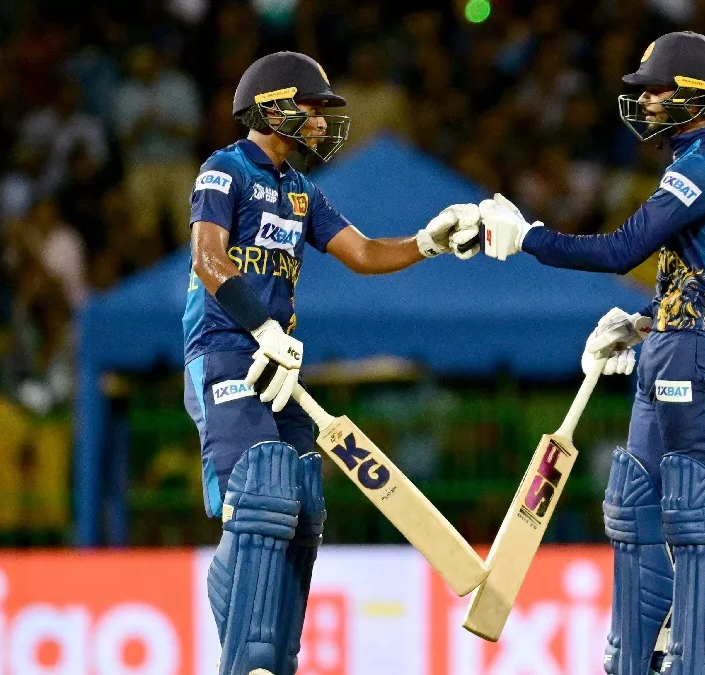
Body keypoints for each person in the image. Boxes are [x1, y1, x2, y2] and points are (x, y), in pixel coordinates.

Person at [183, 51, 478, 675]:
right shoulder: (223, 170)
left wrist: (428, 242)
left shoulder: (301, 191)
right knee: (260, 495)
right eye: (311, 108)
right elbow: (208, 259)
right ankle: (245, 662)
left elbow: (364, 253)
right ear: (272, 109)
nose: (321, 121)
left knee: (299, 502)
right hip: (225, 354)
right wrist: (262, 326)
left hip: (275, 365)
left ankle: (273, 660)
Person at [480, 32, 705, 675]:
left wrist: (528, 237)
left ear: (695, 95)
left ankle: (697, 661)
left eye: (658, 90)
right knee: (634, 505)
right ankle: (636, 660)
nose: (647, 102)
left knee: (697, 509)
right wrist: (645, 323)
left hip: (704, 351)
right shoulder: (699, 161)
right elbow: (703, 265)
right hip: (676, 341)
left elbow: (621, 250)